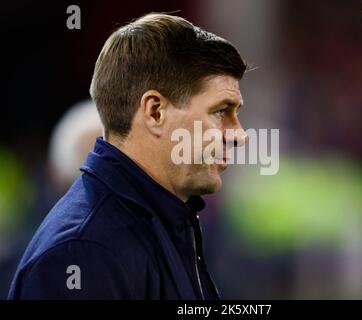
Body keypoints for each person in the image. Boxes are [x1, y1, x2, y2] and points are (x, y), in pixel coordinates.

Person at [8, 13, 247, 299]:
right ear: (155, 112)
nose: (239, 135)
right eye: (221, 111)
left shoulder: (166, 221)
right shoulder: (84, 252)